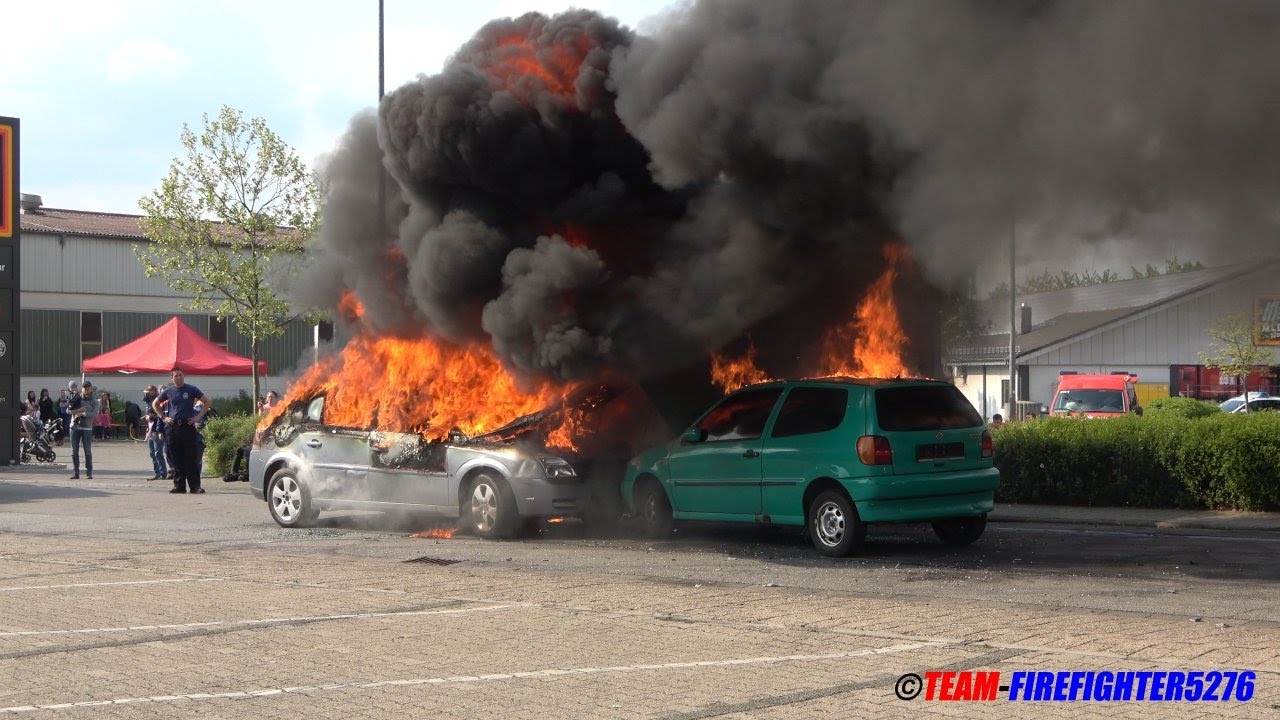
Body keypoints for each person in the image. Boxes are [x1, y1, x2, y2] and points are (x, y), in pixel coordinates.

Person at [154, 368, 213, 494]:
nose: (179, 378)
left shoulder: (191, 389)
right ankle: (179, 486)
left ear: (184, 375)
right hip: (173, 427)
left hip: (187, 425)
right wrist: (163, 417)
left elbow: (207, 402)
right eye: (176, 376)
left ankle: (195, 486)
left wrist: (198, 417)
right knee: (175, 457)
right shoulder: (169, 391)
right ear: (172, 378)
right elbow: (155, 404)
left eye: (180, 375)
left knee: (191, 457)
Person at [67, 380, 98, 479]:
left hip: (87, 428)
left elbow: (95, 413)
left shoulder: (94, 401)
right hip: (75, 427)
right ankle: (76, 472)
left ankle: (89, 472)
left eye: (88, 387)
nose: (87, 389)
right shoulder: (77, 398)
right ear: (82, 388)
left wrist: (84, 414)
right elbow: (68, 410)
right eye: (85, 387)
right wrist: (79, 411)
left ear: (91, 388)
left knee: (87, 451)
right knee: (74, 451)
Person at [144, 408, 168, 481]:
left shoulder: (161, 404)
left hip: (157, 432)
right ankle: (157, 473)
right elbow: (147, 415)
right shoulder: (150, 403)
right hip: (150, 433)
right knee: (152, 454)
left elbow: (162, 417)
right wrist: (148, 416)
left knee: (158, 453)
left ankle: (163, 473)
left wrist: (151, 417)